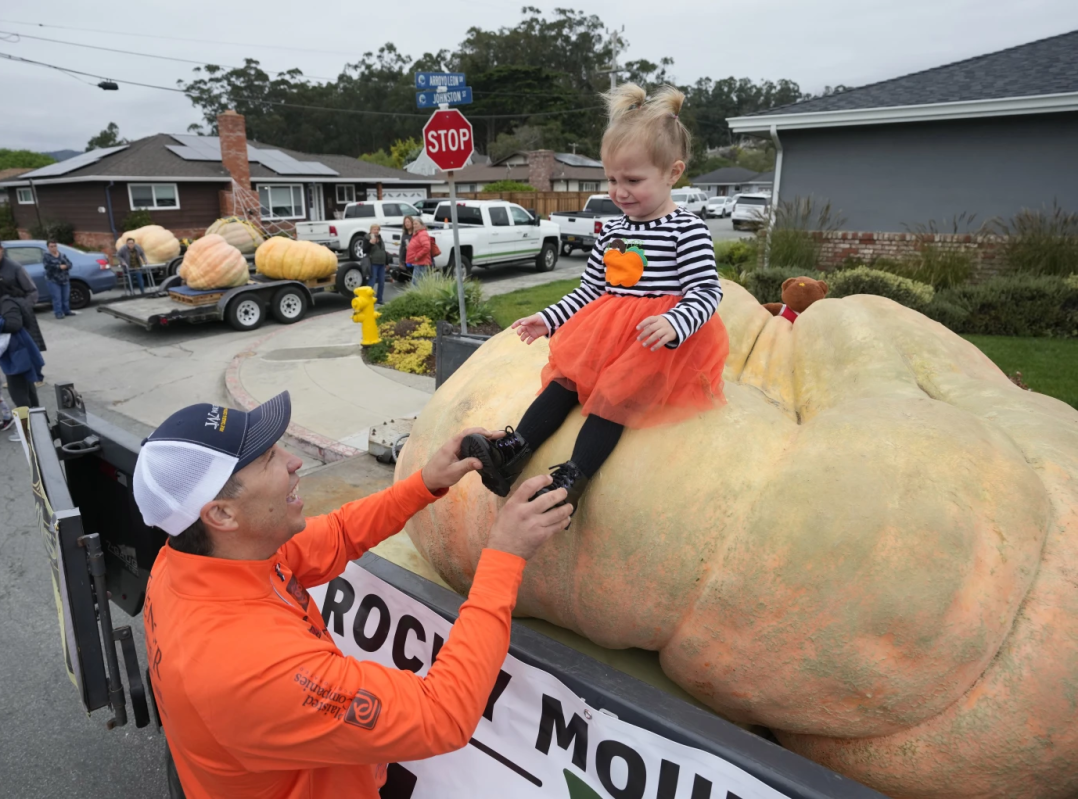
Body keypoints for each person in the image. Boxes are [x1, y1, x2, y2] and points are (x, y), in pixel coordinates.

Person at [137, 393, 572, 799]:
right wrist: (504, 557)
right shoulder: (247, 667)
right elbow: (442, 715)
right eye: (270, 458)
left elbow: (340, 533)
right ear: (221, 514)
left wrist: (424, 483)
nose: (293, 462)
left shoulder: (196, 559)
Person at [461, 83, 729, 516]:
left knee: (612, 400)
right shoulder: (613, 229)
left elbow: (706, 291)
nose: (619, 191)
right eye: (612, 179)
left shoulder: (688, 229)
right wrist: (548, 318)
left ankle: (573, 478)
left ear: (672, 173)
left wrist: (676, 323)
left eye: (633, 180)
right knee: (563, 381)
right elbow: (591, 291)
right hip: (604, 334)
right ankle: (513, 452)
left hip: (653, 343)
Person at [0, 273, 46, 413]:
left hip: (16, 353)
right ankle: (38, 425)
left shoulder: (6, 302)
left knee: (18, 393)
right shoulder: (14, 298)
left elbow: (14, 324)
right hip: (22, 350)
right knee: (28, 390)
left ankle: (27, 430)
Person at [42, 240, 76, 319]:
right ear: (48, 247)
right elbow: (47, 267)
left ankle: (67, 311)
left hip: (64, 279)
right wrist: (59, 267)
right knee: (57, 298)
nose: (53, 248)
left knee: (66, 297)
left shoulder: (62, 255)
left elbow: (70, 264)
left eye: (55, 246)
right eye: (51, 246)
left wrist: (66, 266)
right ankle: (58, 313)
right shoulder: (46, 256)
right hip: (53, 280)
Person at [403, 217, 434, 286]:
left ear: (421, 225)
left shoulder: (422, 233)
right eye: (413, 224)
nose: (414, 226)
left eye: (416, 224)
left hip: (421, 263)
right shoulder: (418, 233)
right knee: (417, 283)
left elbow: (427, 247)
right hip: (418, 263)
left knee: (416, 284)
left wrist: (417, 256)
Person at [363, 223, 388, 304]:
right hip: (373, 262)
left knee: (382, 282)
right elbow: (364, 250)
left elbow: (383, 250)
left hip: (381, 263)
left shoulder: (380, 238)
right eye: (374, 229)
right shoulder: (367, 237)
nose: (376, 231)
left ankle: (379, 299)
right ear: (371, 230)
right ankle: (368, 299)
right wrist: (370, 243)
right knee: (372, 281)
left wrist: (387, 263)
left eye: (377, 229)